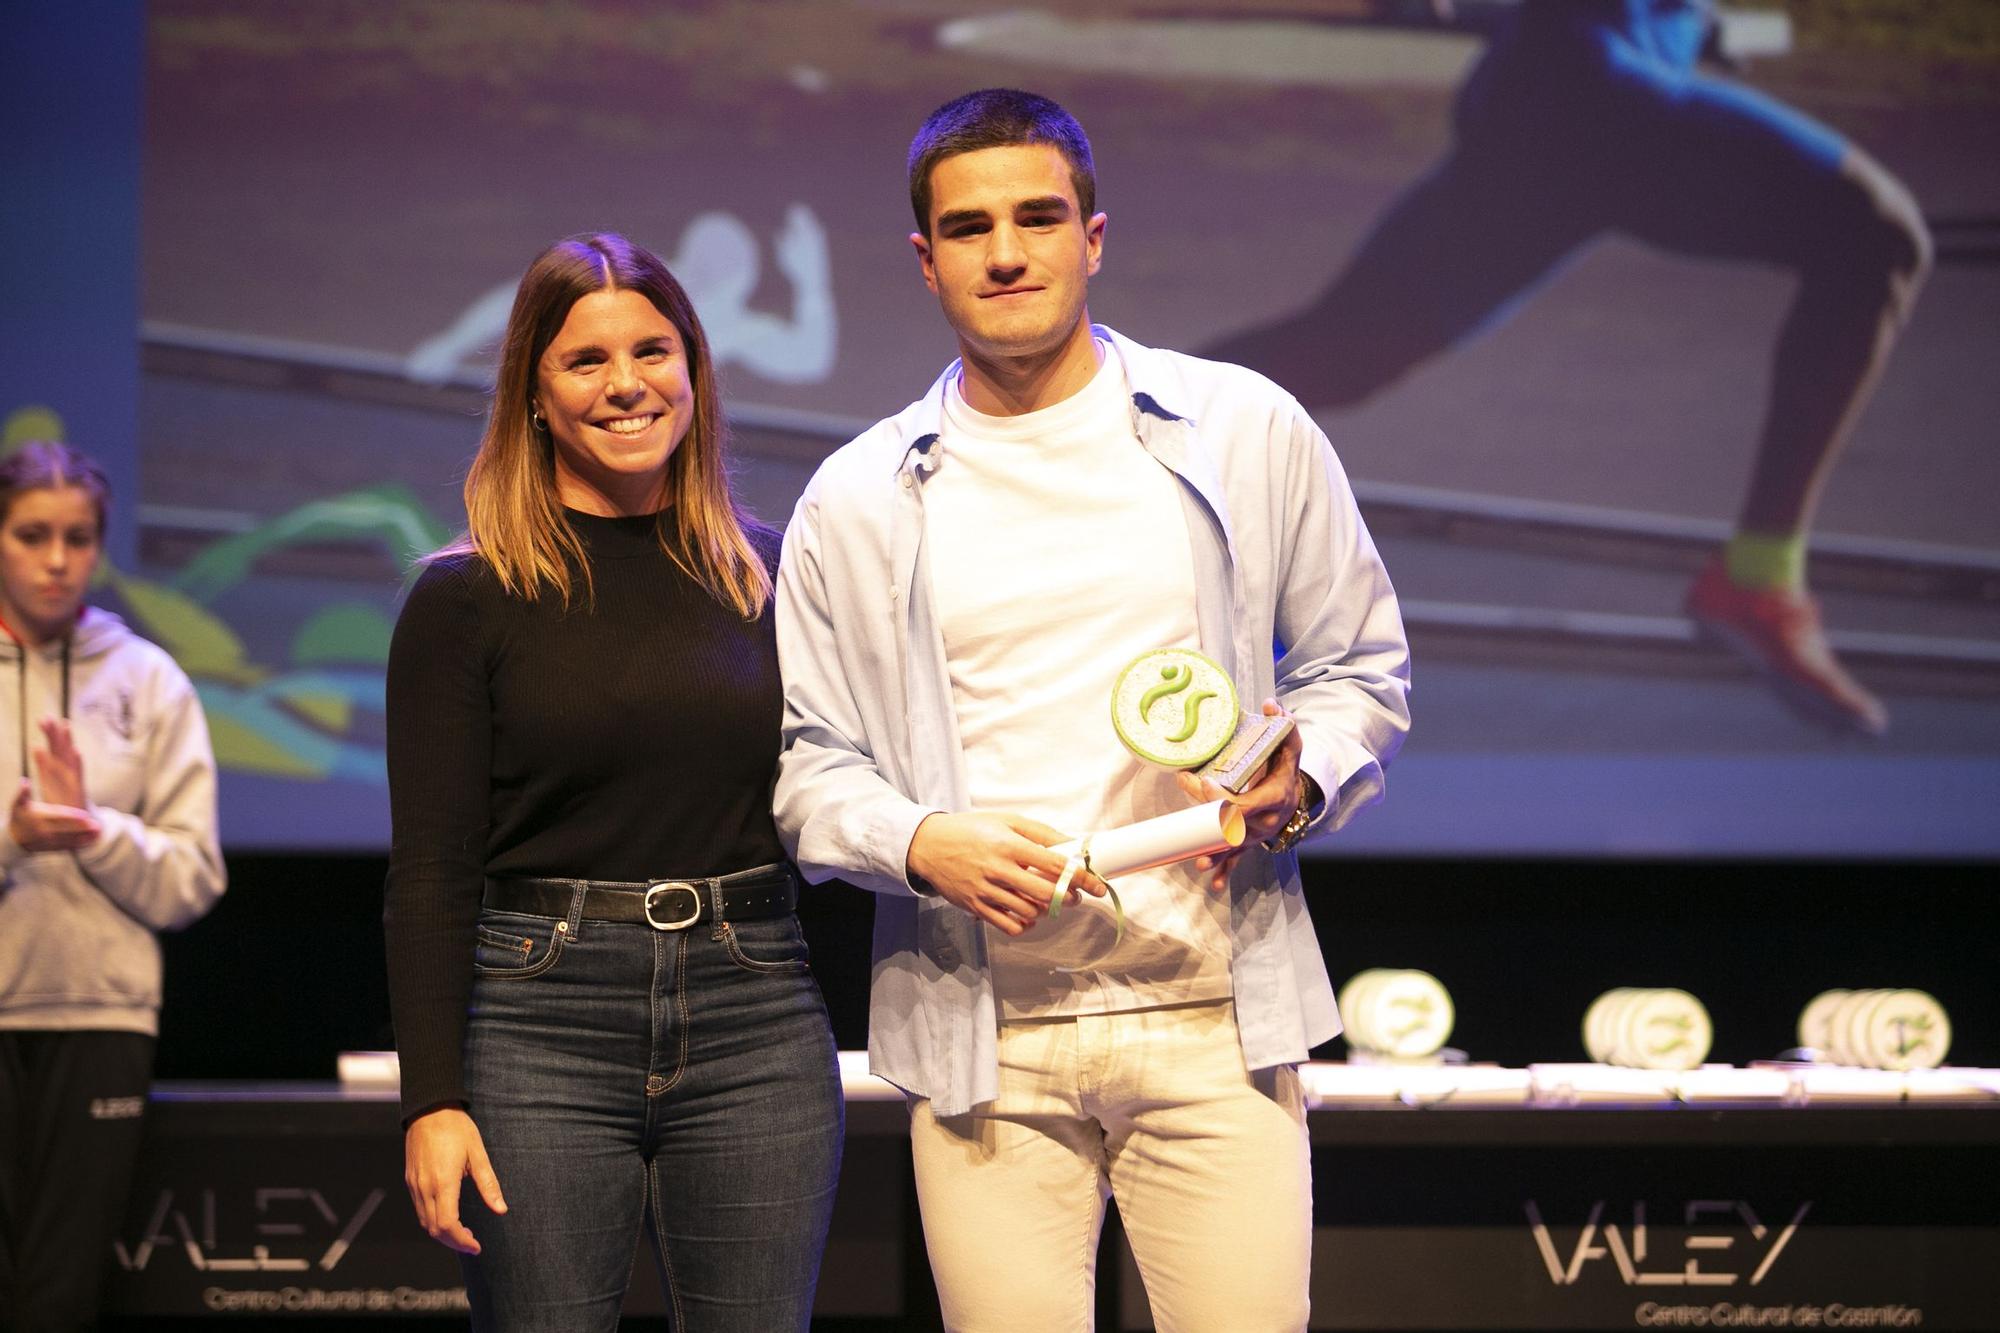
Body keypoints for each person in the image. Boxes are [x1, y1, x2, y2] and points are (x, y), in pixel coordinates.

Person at [774, 90, 1409, 1330]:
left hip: (1212, 1017)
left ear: (1093, 236)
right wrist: (918, 844)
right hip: (983, 1038)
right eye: (968, 229)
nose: (1005, 253)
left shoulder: (1243, 427)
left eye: (1037, 217)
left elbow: (1358, 667)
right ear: (925, 260)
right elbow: (810, 766)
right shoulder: (856, 496)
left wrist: (1299, 778)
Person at [1205, 0, 1932, 737]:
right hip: (1595, 96)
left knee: (1344, 353)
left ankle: (1109, 428)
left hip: (1564, 92)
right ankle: (1758, 579)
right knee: (1876, 236)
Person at [384, 233, 842, 1332]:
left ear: (693, 368)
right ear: (533, 393)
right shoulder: (466, 597)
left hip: (755, 1011)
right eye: (586, 360)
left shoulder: (770, 570)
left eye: (653, 350)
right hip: (538, 1022)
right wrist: (432, 1101)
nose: (627, 383)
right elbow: (433, 871)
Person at [0, 441, 224, 1332]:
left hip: (100, 1016)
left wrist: (96, 829)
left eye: (79, 536)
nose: (58, 559)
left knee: (61, 1299)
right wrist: (12, 836)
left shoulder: (147, 678)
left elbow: (193, 875)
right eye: (32, 534)